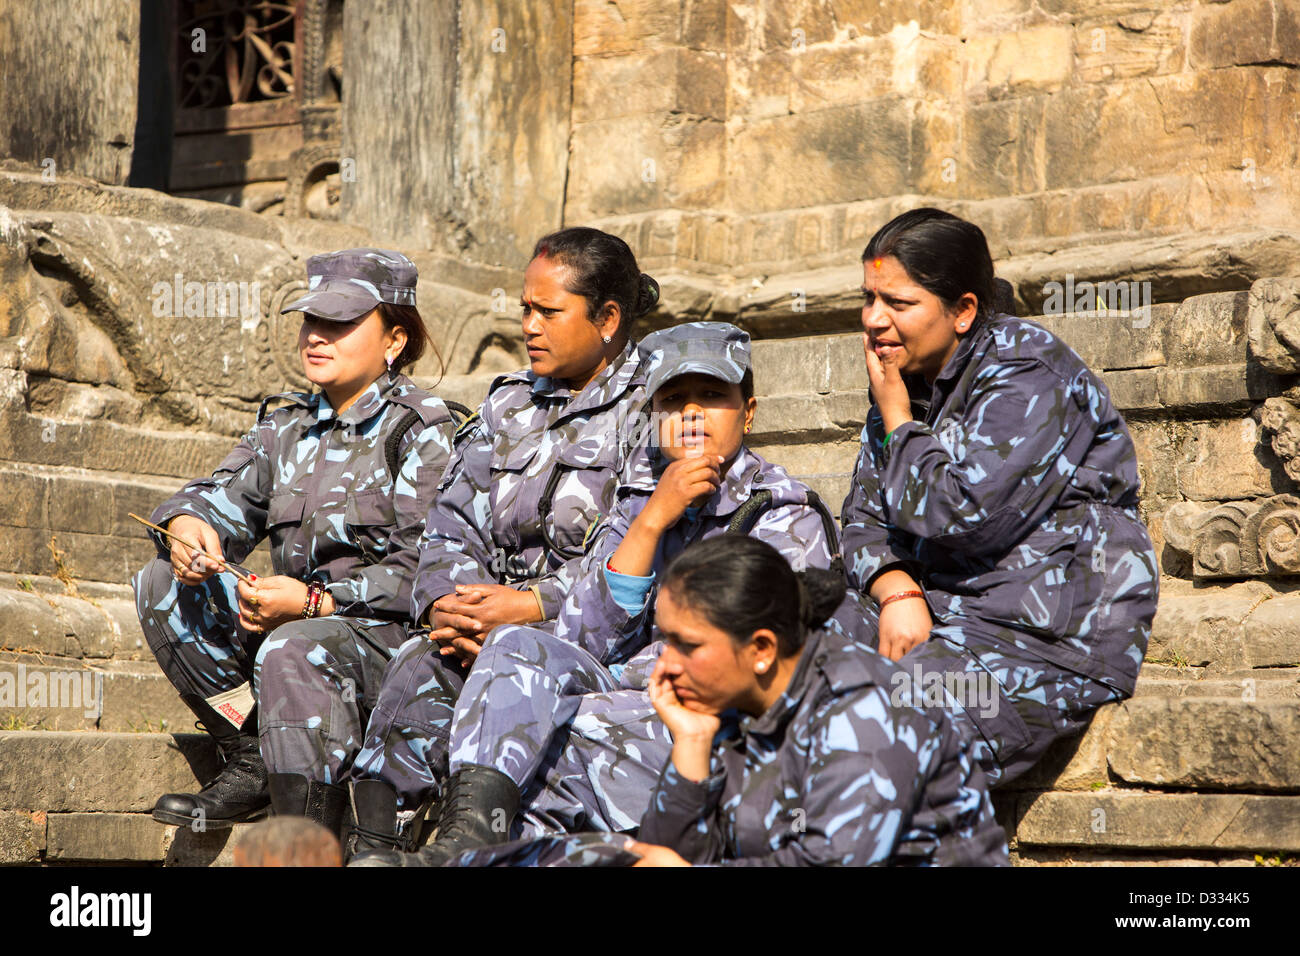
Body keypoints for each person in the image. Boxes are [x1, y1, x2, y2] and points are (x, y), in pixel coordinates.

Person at [351, 322, 840, 866]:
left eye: (712, 396)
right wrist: (653, 520)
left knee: (554, 730)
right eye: (673, 399)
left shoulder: (782, 516)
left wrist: (585, 696)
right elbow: (583, 635)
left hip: (713, 730)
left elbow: (745, 672)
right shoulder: (641, 495)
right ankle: (465, 840)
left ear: (748, 412)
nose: (692, 412)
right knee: (513, 648)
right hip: (624, 695)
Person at [344, 227, 659, 854]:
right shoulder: (508, 403)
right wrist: (449, 605)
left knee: (513, 655)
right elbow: (452, 520)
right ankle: (371, 845)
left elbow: (638, 548)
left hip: (595, 643)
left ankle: (466, 848)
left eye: (549, 311)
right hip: (484, 626)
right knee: (418, 665)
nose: (530, 326)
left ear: (608, 318)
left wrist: (533, 605)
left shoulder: (657, 406)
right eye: (524, 308)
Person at [133, 248, 457, 832]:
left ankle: (310, 832)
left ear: (395, 340)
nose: (316, 336)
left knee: (296, 646)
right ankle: (253, 754)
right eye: (312, 321)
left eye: (340, 324)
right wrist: (187, 529)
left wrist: (313, 603)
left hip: (387, 644)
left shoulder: (422, 431)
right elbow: (211, 497)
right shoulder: (285, 428)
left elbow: (429, 574)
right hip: (292, 625)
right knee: (161, 584)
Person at [841, 207, 1159, 787]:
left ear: (962, 311)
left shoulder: (1026, 370)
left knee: (869, 747)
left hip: (1035, 637)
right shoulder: (903, 381)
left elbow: (964, 519)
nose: (875, 321)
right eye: (868, 299)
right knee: (759, 674)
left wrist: (897, 420)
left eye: (899, 304)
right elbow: (861, 521)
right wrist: (895, 588)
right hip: (932, 612)